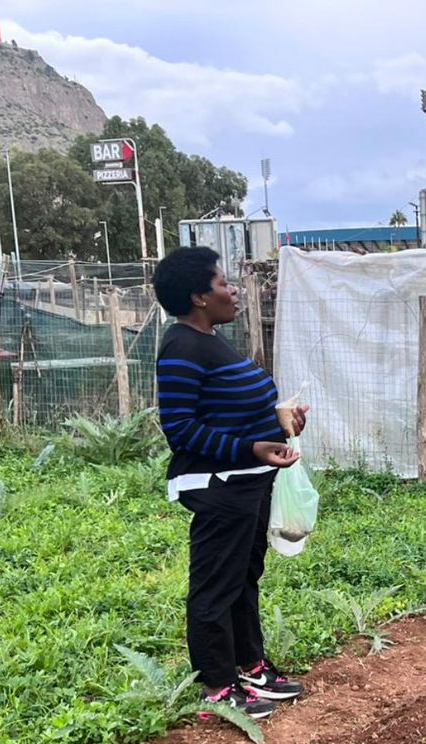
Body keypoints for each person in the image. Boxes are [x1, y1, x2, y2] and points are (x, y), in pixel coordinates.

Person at [153, 246, 307, 719]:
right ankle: (216, 685)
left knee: (244, 578)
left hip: (249, 481)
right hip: (219, 483)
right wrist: (250, 449)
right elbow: (179, 428)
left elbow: (228, 409)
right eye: (223, 283)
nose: (233, 290)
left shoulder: (212, 340)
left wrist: (278, 420)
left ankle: (250, 665)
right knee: (215, 585)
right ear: (200, 296)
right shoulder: (182, 346)